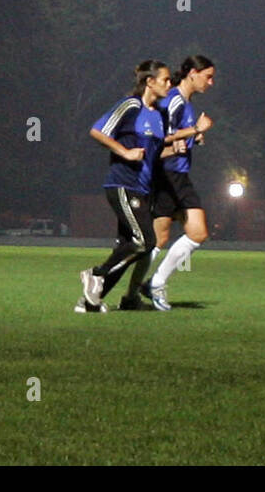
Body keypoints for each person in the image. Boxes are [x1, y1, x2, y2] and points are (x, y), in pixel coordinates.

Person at [75, 60, 203, 313]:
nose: (170, 83)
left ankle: (92, 301)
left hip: (143, 188)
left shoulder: (158, 115)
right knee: (145, 240)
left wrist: (180, 145)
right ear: (149, 82)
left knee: (134, 247)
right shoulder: (130, 106)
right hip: (122, 183)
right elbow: (98, 132)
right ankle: (95, 274)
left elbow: (153, 154)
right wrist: (124, 151)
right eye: (165, 80)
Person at [142, 55, 215, 311]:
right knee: (198, 233)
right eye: (208, 76)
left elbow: (177, 140)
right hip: (170, 175)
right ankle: (154, 283)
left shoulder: (186, 103)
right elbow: (160, 140)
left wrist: (195, 138)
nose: (211, 82)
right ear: (192, 73)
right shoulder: (174, 100)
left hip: (173, 175)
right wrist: (196, 130)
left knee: (157, 240)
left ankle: (128, 284)